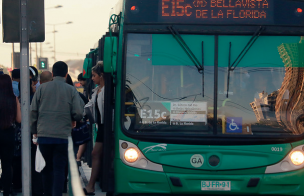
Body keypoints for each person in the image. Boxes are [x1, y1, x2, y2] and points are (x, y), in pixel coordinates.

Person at [30, 61, 84, 196]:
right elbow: (78, 113)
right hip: (63, 137)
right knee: (59, 169)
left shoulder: (41, 89)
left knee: (46, 169)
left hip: (44, 136)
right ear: (66, 74)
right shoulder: (71, 90)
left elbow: (33, 112)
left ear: (53, 74)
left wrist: (35, 132)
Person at [83, 61, 105, 195]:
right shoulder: (97, 91)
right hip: (101, 126)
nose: (92, 78)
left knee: (95, 154)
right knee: (96, 154)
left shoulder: (108, 90)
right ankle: (91, 185)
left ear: (101, 75)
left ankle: (91, 186)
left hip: (108, 127)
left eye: (94, 75)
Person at [0, 74, 21, 196]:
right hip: (8, 133)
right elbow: (19, 119)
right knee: (7, 165)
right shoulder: (14, 99)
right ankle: (7, 191)